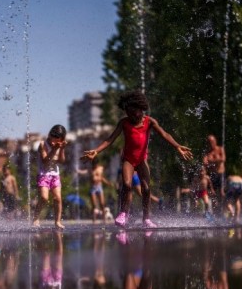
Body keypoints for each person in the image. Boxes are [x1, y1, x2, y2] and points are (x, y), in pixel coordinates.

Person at [82, 91, 193, 228]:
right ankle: (123, 214)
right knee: (127, 185)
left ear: (141, 110)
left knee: (146, 188)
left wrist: (177, 146)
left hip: (141, 160)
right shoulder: (124, 123)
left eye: (133, 113)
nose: (131, 116)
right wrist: (96, 151)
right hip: (128, 160)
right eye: (128, 113)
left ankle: (146, 218)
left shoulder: (149, 122)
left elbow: (164, 134)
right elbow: (110, 139)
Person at [32, 124, 68, 229]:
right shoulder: (42, 144)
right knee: (44, 198)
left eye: (57, 140)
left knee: (58, 198)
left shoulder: (60, 145)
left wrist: (61, 149)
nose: (54, 142)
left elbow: (61, 161)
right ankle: (35, 218)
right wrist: (54, 149)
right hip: (43, 174)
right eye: (53, 139)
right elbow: (45, 161)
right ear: (50, 135)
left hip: (55, 175)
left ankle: (57, 221)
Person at [202, 135, 226, 210]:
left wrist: (211, 161)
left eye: (212, 141)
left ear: (215, 141)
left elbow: (223, 159)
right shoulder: (207, 152)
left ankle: (225, 210)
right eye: (209, 142)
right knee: (213, 194)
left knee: (222, 193)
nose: (211, 143)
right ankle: (216, 212)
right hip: (213, 175)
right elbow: (204, 162)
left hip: (221, 174)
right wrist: (216, 160)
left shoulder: (220, 149)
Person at [88, 158, 112, 223]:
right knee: (94, 204)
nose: (94, 165)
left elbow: (102, 177)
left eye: (95, 164)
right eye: (93, 164)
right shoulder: (90, 169)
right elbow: (89, 178)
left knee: (102, 203)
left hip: (99, 186)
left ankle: (104, 218)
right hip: (93, 187)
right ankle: (94, 219)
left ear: (97, 164)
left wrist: (107, 183)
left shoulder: (101, 168)